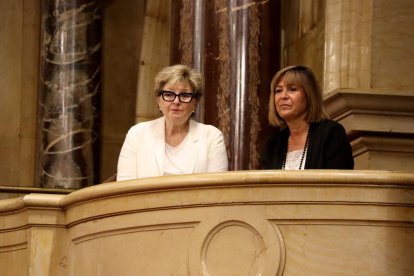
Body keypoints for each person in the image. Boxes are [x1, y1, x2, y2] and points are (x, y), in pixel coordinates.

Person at [116, 64, 228, 181]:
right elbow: (125, 188)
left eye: (184, 95)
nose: (176, 101)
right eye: (169, 94)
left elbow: (215, 191)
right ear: (159, 100)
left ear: (195, 102)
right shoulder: (137, 134)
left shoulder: (212, 137)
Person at [261, 65, 354, 170]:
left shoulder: (331, 133)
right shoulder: (273, 145)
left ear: (309, 95)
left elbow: (338, 182)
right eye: (278, 90)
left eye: (292, 89)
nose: (283, 96)